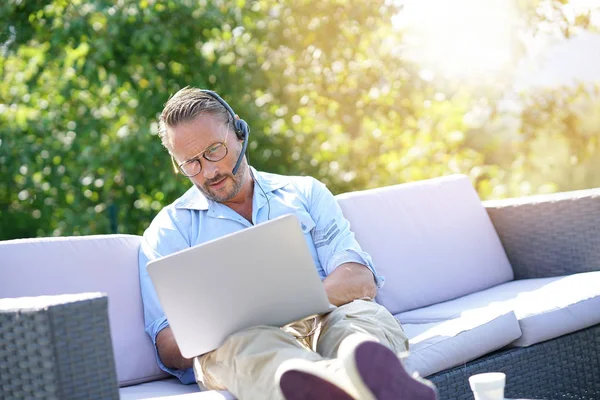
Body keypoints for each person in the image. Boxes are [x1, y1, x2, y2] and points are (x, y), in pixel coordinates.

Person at [138, 87, 437, 400]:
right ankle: (359, 384)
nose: (209, 171)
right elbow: (168, 344)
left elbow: (358, 277)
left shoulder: (305, 192)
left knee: (361, 321)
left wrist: (291, 307)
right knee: (248, 349)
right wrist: (239, 324)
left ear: (239, 131)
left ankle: (357, 371)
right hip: (243, 344)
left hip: (328, 316)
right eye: (191, 163)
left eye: (215, 150)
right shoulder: (168, 231)